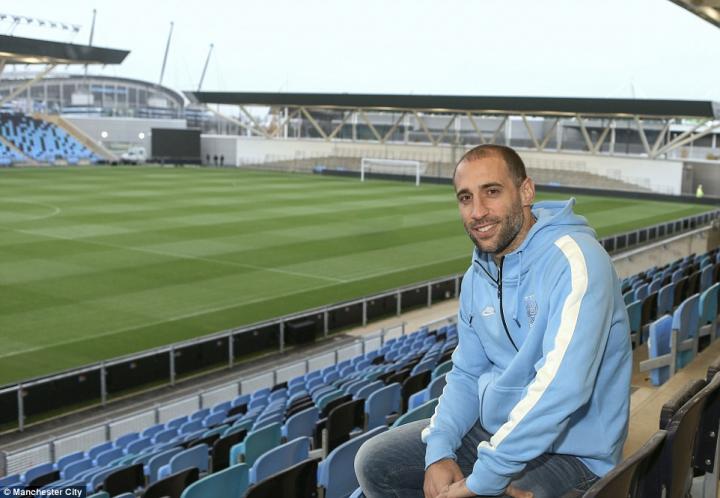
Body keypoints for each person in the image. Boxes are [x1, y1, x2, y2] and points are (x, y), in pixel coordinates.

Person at [355, 144, 632, 498]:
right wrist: (439, 451)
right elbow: (467, 373)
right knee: (374, 462)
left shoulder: (577, 262)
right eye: (465, 198)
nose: (477, 212)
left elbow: (565, 388)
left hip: (572, 451)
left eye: (492, 192)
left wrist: (485, 479)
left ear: (526, 191)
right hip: (494, 431)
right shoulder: (477, 275)